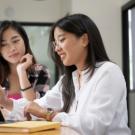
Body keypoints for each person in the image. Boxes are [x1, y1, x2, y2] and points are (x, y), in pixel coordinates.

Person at [0, 14, 131, 135]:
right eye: (55, 44)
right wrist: (5, 102)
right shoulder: (68, 79)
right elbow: (38, 105)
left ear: (84, 39)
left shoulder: (108, 72)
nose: (57, 49)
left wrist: (48, 114)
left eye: (61, 40)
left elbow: (95, 125)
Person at [0, 20, 50, 120]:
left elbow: (35, 111)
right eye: (4, 44)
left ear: (25, 41)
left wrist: (21, 71)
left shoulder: (41, 71)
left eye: (15, 41)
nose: (12, 48)